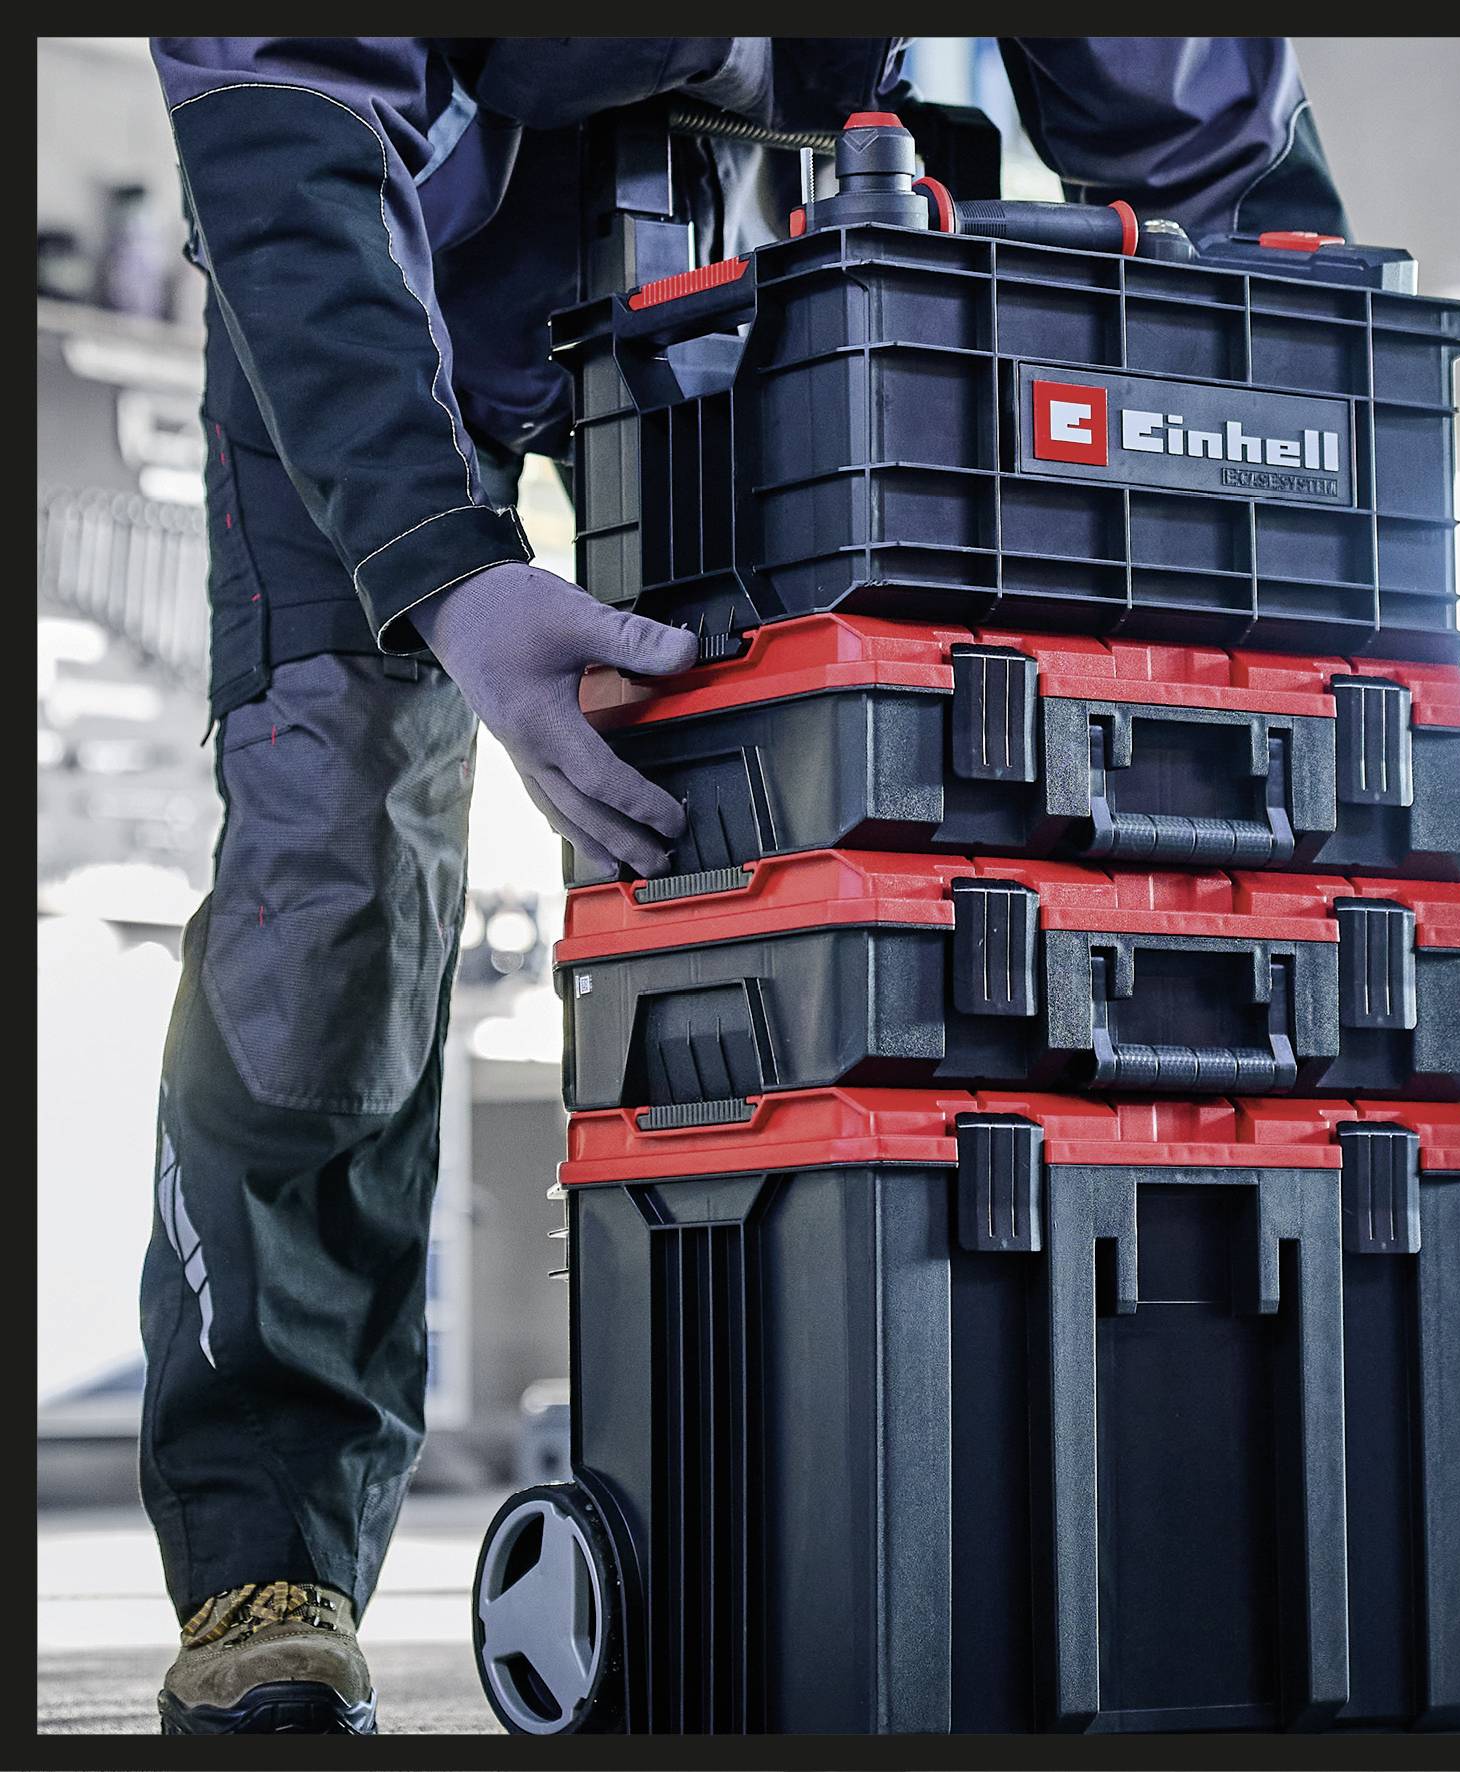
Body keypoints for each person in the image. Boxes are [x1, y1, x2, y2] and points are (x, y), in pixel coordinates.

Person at [142, 35, 1349, 1734]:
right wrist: (438, 559)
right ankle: (268, 1555)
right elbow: (288, 126)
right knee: (328, 880)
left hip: (790, 254)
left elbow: (1200, 130)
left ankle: (859, 1500)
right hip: (378, 276)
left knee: (891, 840)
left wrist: (1303, 400)